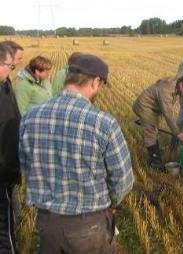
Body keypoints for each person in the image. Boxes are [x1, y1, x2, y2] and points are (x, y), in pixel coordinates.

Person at [19, 54, 134, 254]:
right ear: (96, 81)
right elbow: (123, 180)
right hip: (90, 225)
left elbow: (26, 165)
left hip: (48, 225)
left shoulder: (30, 117)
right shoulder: (104, 124)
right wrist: (112, 203)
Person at [132, 77, 183, 170]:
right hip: (144, 107)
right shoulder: (166, 91)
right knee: (150, 133)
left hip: (152, 108)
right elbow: (167, 114)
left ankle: (155, 155)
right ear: (181, 85)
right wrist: (178, 133)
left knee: (153, 129)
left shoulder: (177, 86)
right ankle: (155, 163)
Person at [0, 42, 19, 254]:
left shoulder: (5, 85)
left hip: (6, 165)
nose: (11, 69)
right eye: (9, 65)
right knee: (4, 226)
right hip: (3, 169)